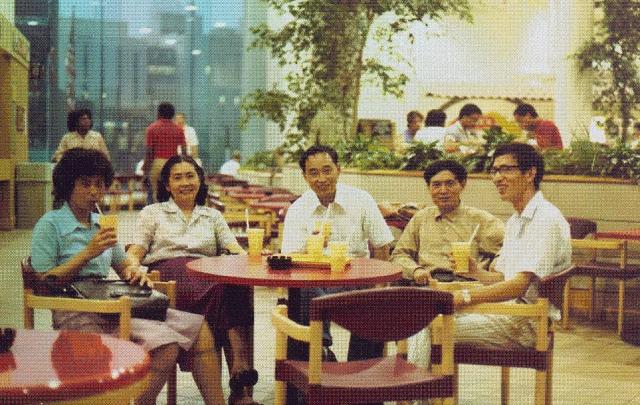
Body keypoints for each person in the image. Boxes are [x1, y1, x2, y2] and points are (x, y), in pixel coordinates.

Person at [30, 148, 225, 405]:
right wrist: (87, 253)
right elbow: (43, 282)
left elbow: (124, 267)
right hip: (75, 309)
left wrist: (136, 274)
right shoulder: (50, 224)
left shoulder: (101, 223)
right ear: (67, 185)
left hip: (113, 305)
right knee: (161, 345)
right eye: (85, 184)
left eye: (99, 185)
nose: (93, 192)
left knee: (189, 332)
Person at [126, 155, 258, 405]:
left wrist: (252, 259)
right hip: (169, 276)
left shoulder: (212, 216)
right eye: (177, 177)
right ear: (167, 185)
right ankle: (241, 382)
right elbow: (136, 250)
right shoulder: (153, 213)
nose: (185, 182)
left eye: (190, 176)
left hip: (207, 274)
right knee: (222, 287)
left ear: (199, 181)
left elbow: (233, 248)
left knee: (238, 282)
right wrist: (132, 266)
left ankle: (240, 383)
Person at [452, 143, 571, 349]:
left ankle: (413, 381)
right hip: (511, 311)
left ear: (530, 173)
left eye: (506, 169)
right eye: (495, 170)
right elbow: (503, 278)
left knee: (425, 326)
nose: (498, 178)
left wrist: (464, 296)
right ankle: (424, 379)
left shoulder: (546, 218)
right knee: (426, 316)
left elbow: (519, 286)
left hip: (527, 322)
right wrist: (475, 272)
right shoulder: (516, 220)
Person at [281, 145, 394, 362]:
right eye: (313, 173)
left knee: (375, 301)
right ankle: (319, 350)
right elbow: (291, 258)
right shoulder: (298, 209)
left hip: (357, 277)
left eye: (327, 170)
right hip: (316, 279)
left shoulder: (361, 199)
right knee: (302, 289)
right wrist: (312, 243)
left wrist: (379, 287)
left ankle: (362, 375)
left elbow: (381, 244)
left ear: (338, 170)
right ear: (305, 177)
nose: (321, 178)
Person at [391, 159, 504, 283]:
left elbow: (508, 250)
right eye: (436, 185)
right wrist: (415, 271)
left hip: (467, 286)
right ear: (429, 188)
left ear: (462, 184)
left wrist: (489, 270)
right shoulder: (421, 218)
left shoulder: (482, 220)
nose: (443, 191)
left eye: (450, 184)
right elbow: (399, 255)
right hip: (428, 285)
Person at [143, 102, 186, 202]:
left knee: (154, 193)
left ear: (158, 113)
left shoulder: (152, 128)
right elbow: (184, 151)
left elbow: (149, 152)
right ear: (172, 114)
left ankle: (154, 213)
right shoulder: (179, 129)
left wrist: (145, 172)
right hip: (173, 164)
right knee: (174, 194)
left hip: (157, 164)